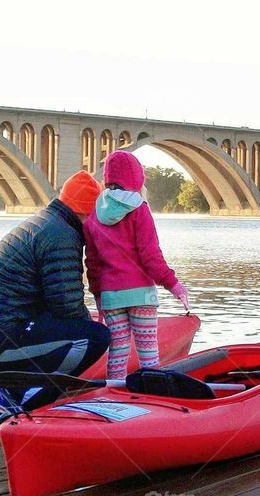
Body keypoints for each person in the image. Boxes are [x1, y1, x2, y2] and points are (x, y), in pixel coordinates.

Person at [0, 170, 111, 416]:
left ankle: (2, 379)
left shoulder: (45, 222)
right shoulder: (62, 236)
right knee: (96, 338)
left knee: (74, 330)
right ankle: (15, 394)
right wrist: (89, 329)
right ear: (86, 212)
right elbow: (67, 305)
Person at [83, 150, 189, 383]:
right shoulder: (140, 209)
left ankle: (114, 393)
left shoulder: (93, 216)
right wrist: (174, 285)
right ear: (135, 177)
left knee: (118, 352)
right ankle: (151, 391)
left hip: (111, 296)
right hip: (141, 295)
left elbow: (92, 263)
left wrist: (98, 295)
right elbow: (150, 256)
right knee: (148, 352)